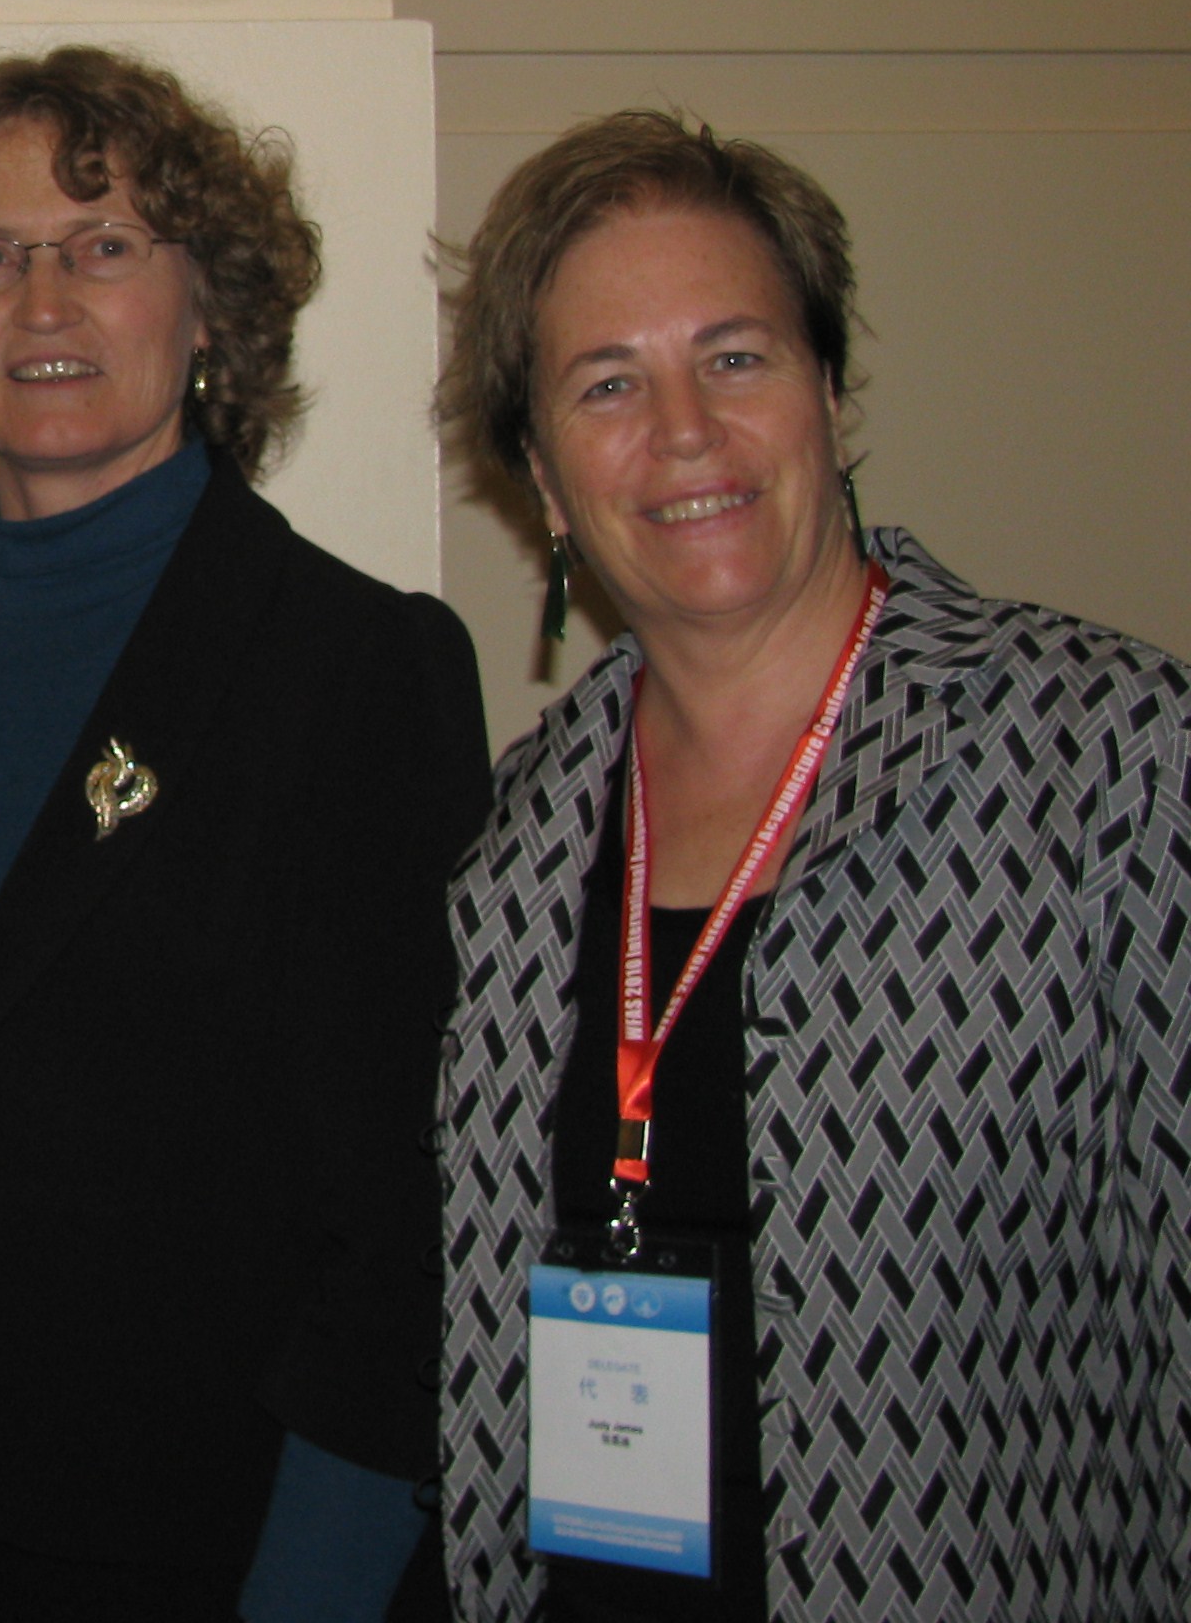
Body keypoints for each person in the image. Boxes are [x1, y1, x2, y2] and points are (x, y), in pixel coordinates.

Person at [0, 45, 489, 1619]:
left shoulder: (352, 673)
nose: (44, 301)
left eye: (104, 245)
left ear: (210, 303)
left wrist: (316, 1589)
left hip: (192, 1555)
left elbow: (413, 1212)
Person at [435, 110, 1191, 1619]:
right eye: (607, 383)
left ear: (831, 395)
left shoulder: (1111, 763)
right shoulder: (517, 836)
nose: (686, 434)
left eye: (737, 356)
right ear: (540, 469)